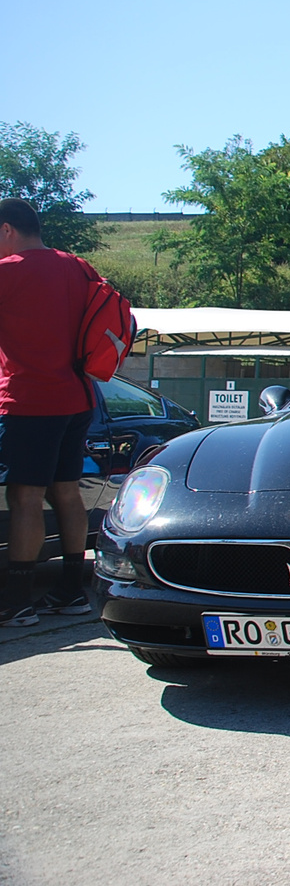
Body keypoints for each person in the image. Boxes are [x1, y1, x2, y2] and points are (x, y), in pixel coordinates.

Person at [0, 199, 98, 626]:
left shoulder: (8, 271)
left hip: (30, 399)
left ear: (6, 231)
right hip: (78, 399)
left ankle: (18, 602)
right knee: (66, 490)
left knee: (23, 496)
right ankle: (71, 591)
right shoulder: (79, 267)